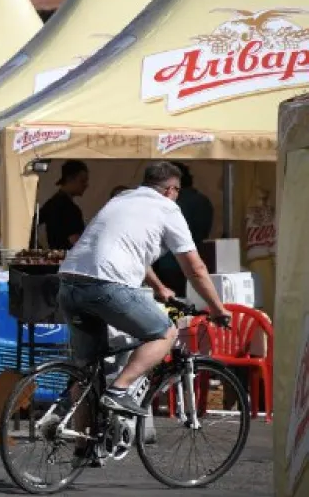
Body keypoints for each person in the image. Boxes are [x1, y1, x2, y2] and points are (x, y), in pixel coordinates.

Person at [57, 161, 229, 416]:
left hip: (69, 283)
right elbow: (195, 269)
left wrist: (159, 287)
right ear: (171, 189)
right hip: (106, 286)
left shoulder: (122, 199)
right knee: (164, 332)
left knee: (87, 376)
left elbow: (130, 252)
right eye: (178, 191)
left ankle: (83, 452)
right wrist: (218, 309)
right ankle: (119, 391)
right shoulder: (167, 209)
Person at [153, 162, 214, 296]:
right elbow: (203, 233)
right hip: (196, 261)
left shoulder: (174, 203)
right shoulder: (203, 201)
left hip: (169, 263)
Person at [37, 159, 89, 250]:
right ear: (69, 179)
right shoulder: (70, 209)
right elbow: (76, 242)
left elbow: (32, 225)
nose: (86, 185)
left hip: (55, 258)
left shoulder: (51, 203)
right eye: (82, 181)